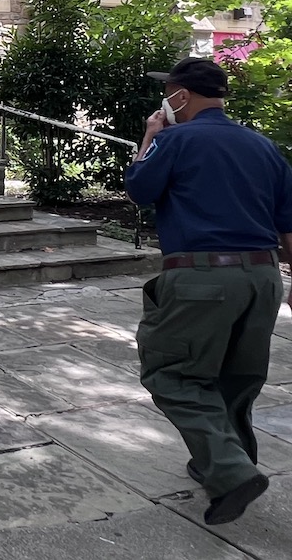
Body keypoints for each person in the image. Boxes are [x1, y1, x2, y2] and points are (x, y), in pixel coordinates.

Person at [126, 56, 292, 526]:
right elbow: (288, 222)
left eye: (169, 92)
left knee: (172, 374)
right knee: (237, 377)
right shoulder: (263, 147)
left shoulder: (175, 139)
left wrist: (150, 137)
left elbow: (140, 189)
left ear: (180, 96)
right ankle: (220, 463)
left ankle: (232, 472)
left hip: (201, 277)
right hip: (263, 278)